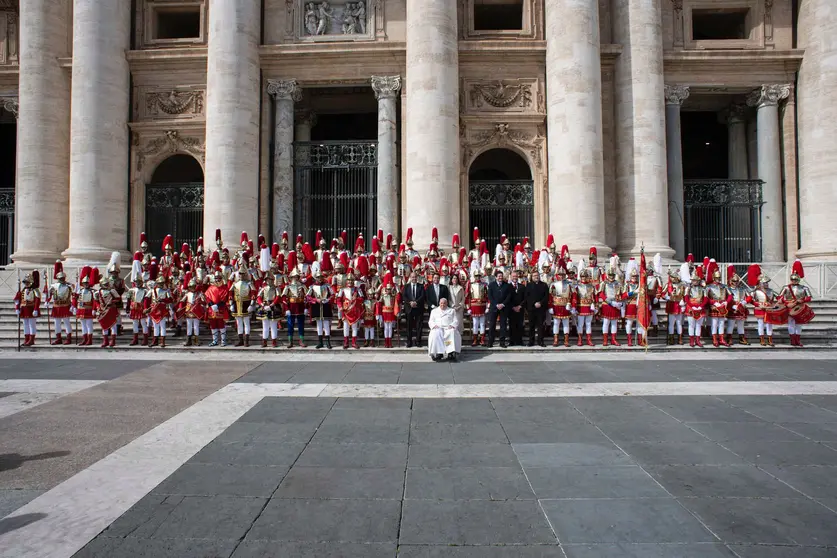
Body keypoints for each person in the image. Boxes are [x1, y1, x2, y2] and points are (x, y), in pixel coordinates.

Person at [780, 260, 815, 347]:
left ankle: (798, 340)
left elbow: (809, 297)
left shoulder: (804, 288)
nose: (794, 280)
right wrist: (785, 302)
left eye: (795, 279)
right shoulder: (786, 287)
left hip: (800, 306)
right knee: (791, 323)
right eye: (792, 279)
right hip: (790, 306)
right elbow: (779, 297)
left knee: (799, 324)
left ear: (798, 279)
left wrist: (802, 300)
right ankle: (792, 340)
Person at [307, 271, 334, 349]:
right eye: (318, 277)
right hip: (316, 306)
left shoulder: (327, 286)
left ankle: (328, 342)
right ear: (316, 278)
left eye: (321, 277)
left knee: (326, 324)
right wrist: (315, 300)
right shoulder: (312, 287)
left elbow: (332, 295)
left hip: (326, 306)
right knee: (319, 325)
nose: (320, 279)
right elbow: (308, 296)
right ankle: (320, 342)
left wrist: (328, 300)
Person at [15, 271, 41, 347]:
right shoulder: (23, 290)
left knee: (31, 325)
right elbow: (18, 299)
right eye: (25, 282)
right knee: (25, 324)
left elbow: (37, 300)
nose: (26, 283)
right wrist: (17, 308)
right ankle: (26, 338)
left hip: (31, 308)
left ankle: (32, 339)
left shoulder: (35, 290)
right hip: (24, 308)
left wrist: (36, 309)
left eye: (27, 282)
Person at [486, 270, 511, 348]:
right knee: (492, 325)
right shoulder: (491, 285)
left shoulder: (507, 285)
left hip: (503, 307)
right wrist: (496, 304)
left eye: (501, 276)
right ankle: (490, 342)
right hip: (494, 307)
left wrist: (503, 304)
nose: (500, 277)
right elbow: (490, 296)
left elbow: (509, 296)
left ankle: (502, 342)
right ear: (496, 277)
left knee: (503, 325)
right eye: (499, 276)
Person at [525, 270, 549, 347]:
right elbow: (527, 297)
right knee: (531, 326)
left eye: (537, 275)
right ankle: (531, 341)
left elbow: (546, 296)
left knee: (540, 326)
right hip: (532, 309)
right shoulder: (528, 285)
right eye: (534, 275)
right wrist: (534, 303)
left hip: (541, 309)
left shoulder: (544, 285)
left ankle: (540, 341)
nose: (536, 277)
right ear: (532, 277)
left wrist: (540, 303)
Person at [402, 272, 426, 347]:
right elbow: (404, 296)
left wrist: (416, 302)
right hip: (409, 308)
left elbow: (423, 296)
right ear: (410, 277)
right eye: (412, 277)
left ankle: (418, 341)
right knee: (409, 326)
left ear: (417, 278)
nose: (414, 278)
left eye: (415, 277)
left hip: (418, 308)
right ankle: (409, 342)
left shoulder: (421, 286)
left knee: (419, 325)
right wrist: (410, 302)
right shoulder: (406, 286)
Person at [507, 270, 526, 346]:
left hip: (520, 309)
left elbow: (525, 298)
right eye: (513, 276)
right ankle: (511, 341)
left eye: (516, 276)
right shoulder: (507, 286)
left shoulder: (522, 286)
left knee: (520, 325)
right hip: (511, 309)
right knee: (511, 325)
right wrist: (513, 307)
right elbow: (507, 298)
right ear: (511, 277)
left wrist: (520, 306)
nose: (515, 277)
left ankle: (519, 341)